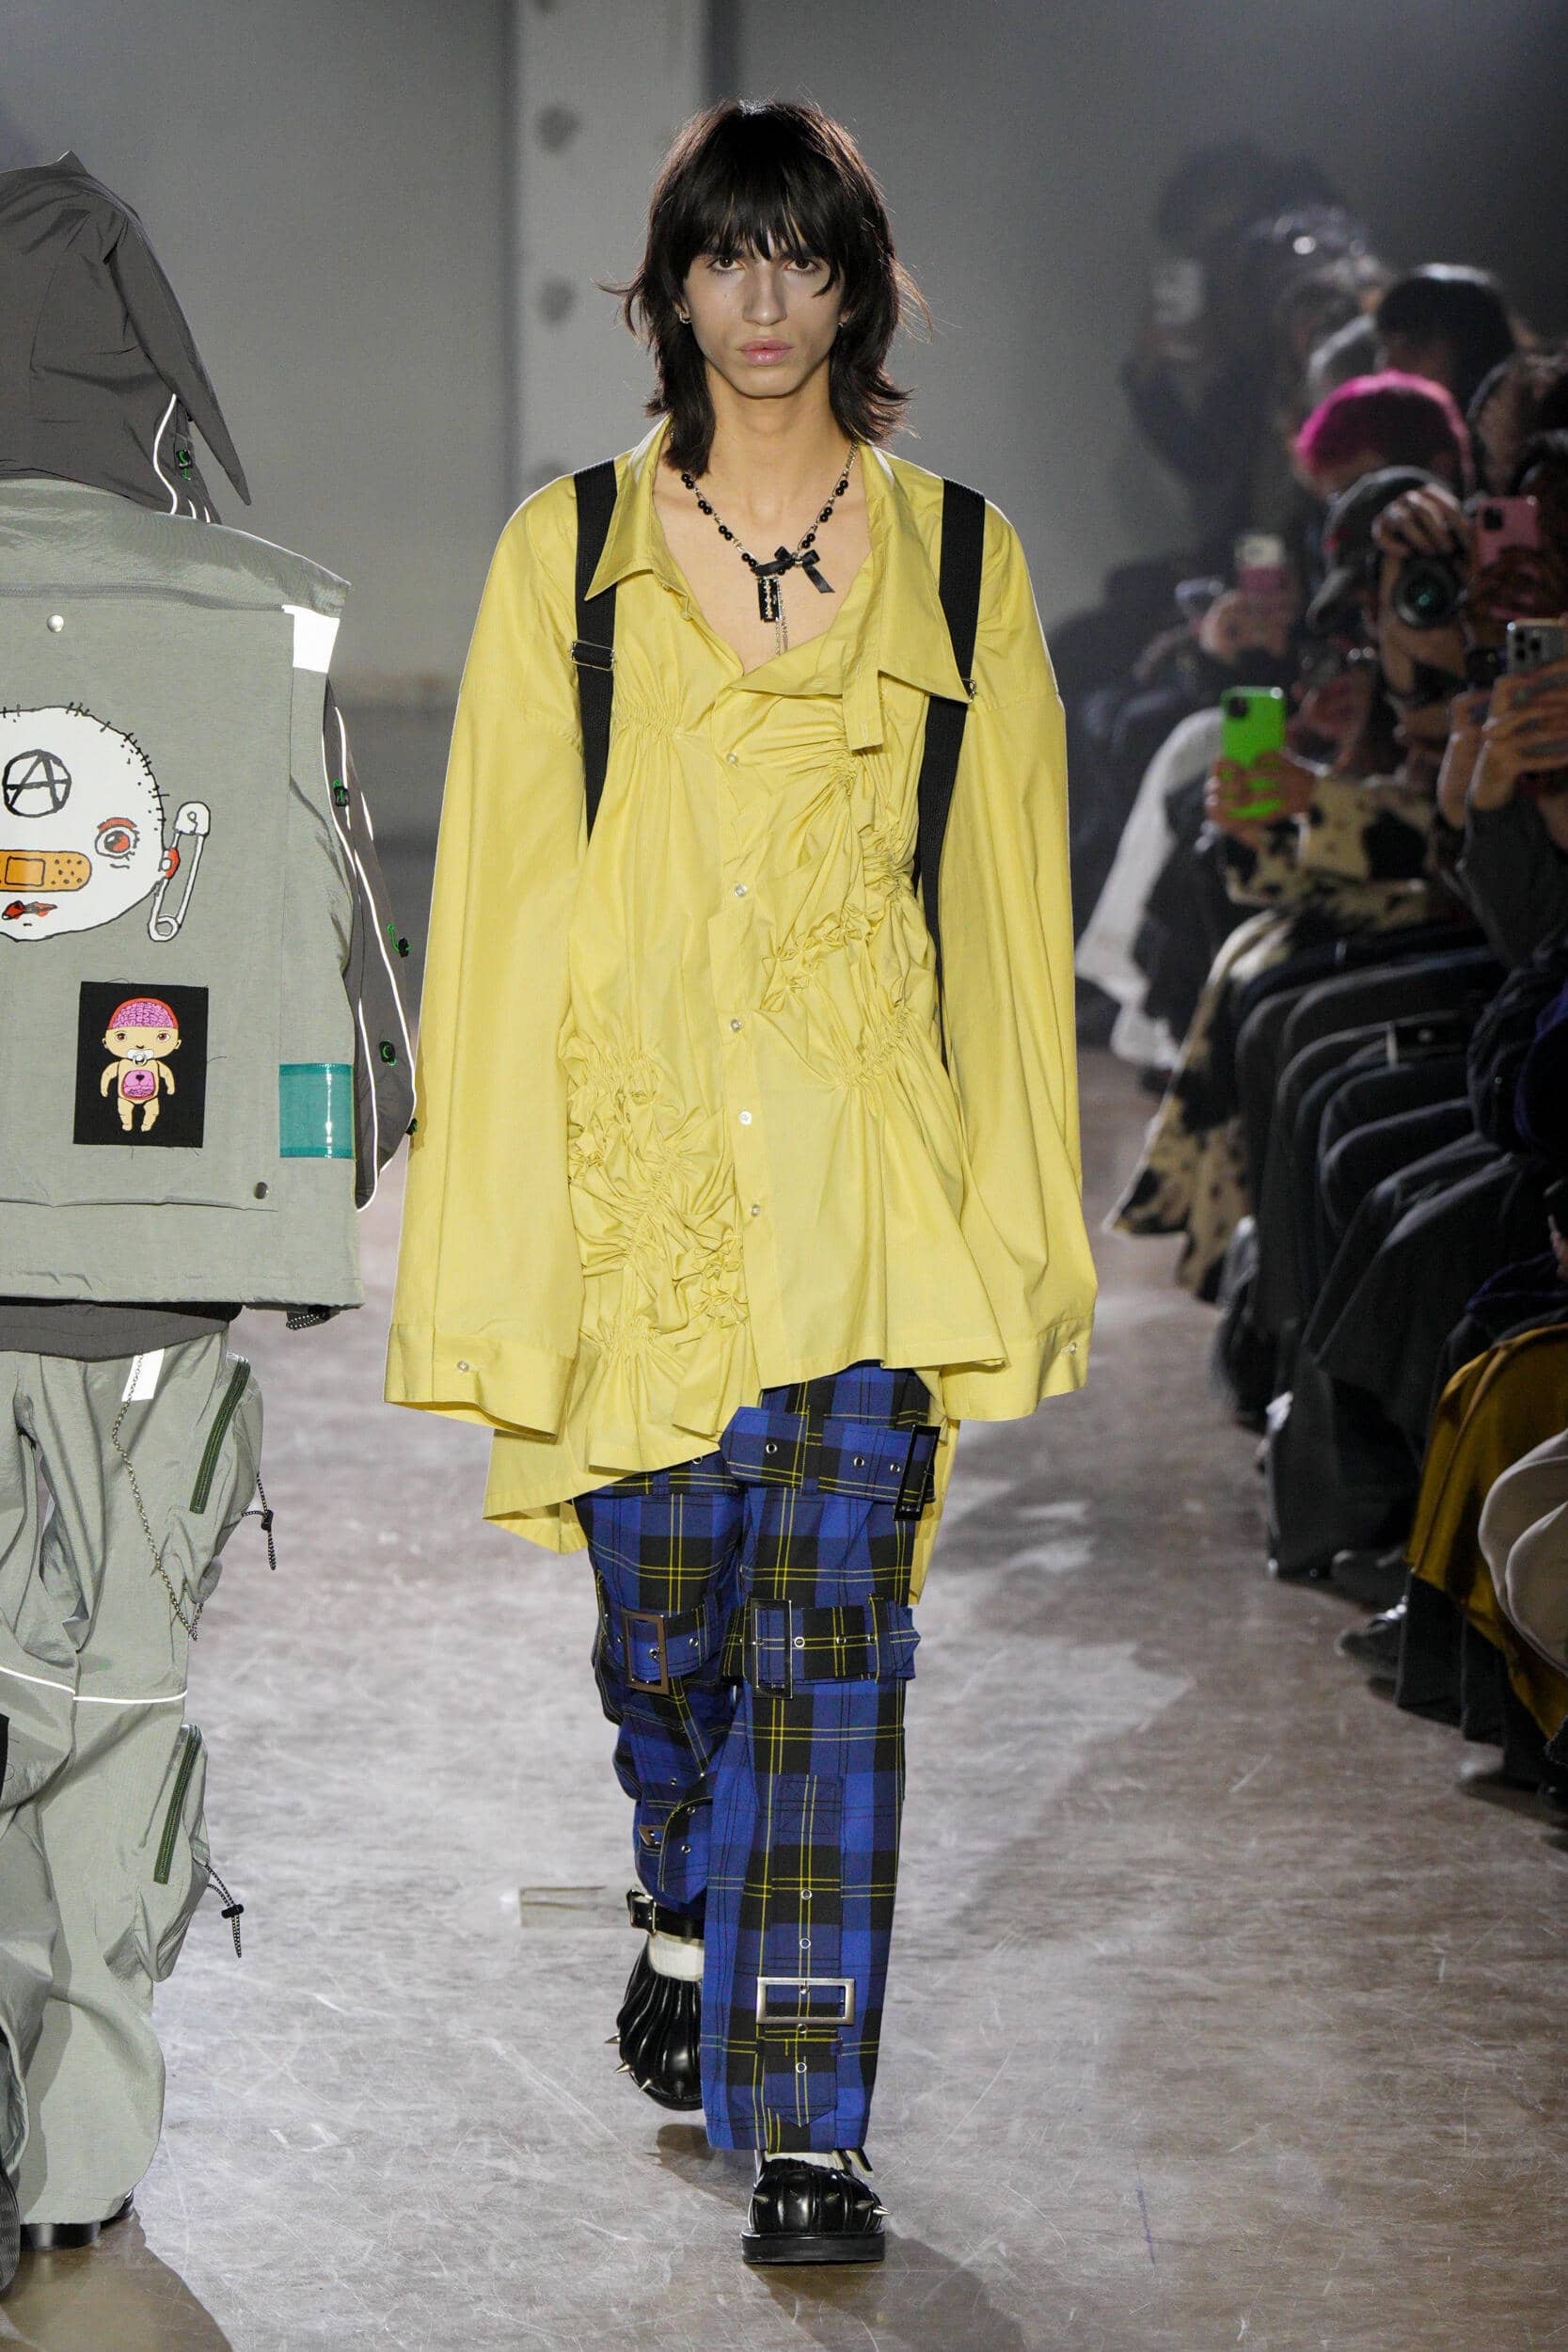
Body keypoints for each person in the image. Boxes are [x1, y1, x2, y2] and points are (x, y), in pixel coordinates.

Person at [388, 98, 1095, 2266]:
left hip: (869, 1192)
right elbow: (498, 912)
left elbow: (1005, 911)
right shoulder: (565, 557)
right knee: (671, 1641)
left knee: (836, 1652)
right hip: (644, 1204)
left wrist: (1017, 1220)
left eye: (804, 257)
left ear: (858, 288)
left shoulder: (962, 560)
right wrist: (494, 1232)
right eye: (726, 256)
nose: (766, 299)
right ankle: (686, 1893)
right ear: (671, 290)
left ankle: (812, 2120)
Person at [0, 155, 413, 2291]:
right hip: (148, 1255)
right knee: (110, 1694)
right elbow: (341, 949)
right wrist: (325, 1166)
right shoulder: (256, 616)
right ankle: (73, 2145)